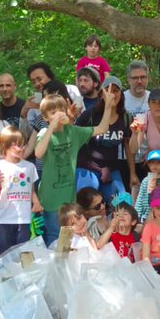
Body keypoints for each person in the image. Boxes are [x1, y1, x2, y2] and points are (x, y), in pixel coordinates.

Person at [36, 94, 114, 245]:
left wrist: (109, 105)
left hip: (69, 199)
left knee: (69, 238)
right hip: (50, 199)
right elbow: (38, 153)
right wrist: (51, 127)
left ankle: (67, 261)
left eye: (61, 110)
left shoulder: (73, 132)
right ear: (45, 117)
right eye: (53, 112)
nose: (58, 114)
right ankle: (57, 261)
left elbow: (102, 128)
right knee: (54, 238)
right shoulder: (44, 134)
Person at [75, 74, 131, 201]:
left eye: (116, 90)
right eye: (108, 90)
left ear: (121, 94)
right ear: (101, 94)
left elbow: (129, 147)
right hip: (87, 168)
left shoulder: (126, 117)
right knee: (88, 202)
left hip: (112, 170)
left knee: (122, 202)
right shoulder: (89, 115)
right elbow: (74, 140)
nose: (112, 94)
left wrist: (133, 174)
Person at [0, 127, 40, 253]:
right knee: (5, 255)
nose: (21, 148)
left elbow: (31, 189)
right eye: (16, 145)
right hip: (4, 220)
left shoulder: (29, 166)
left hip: (24, 219)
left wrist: (36, 202)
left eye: (23, 145)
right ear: (5, 146)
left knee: (23, 254)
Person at [134, 148, 160, 225]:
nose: (155, 165)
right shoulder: (145, 180)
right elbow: (140, 199)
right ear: (148, 164)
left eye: (159, 162)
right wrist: (137, 215)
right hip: (145, 215)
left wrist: (158, 191)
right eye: (152, 163)